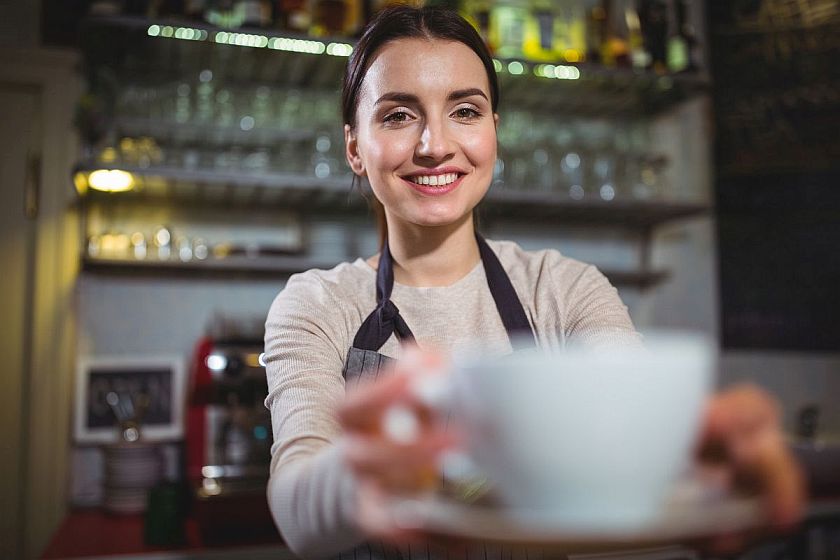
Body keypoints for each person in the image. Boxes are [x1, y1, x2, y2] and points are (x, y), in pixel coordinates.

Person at [263, 6, 804, 560]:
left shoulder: (565, 291)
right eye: (399, 116)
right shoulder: (316, 305)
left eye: (465, 111)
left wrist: (696, 459)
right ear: (355, 146)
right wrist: (360, 471)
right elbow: (296, 509)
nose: (434, 145)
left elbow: (626, 426)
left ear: (493, 132)